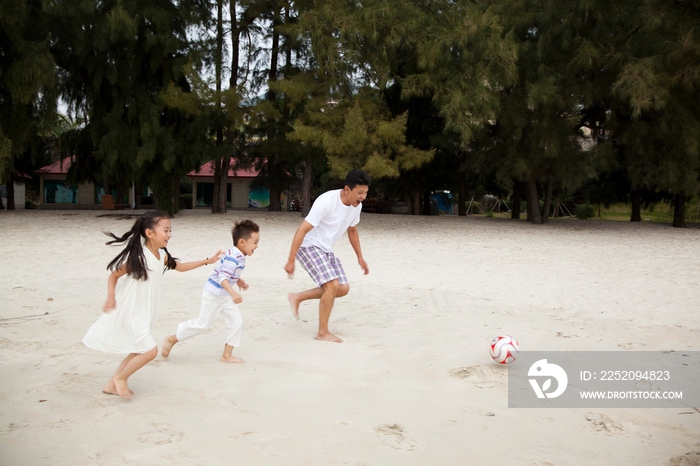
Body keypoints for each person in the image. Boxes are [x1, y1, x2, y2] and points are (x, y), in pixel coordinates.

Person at [83, 211, 222, 399]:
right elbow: (114, 275)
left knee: (139, 349)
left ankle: (111, 384)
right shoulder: (140, 257)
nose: (169, 234)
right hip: (132, 310)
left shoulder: (162, 255)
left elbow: (180, 267)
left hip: (144, 311)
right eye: (165, 230)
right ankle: (121, 379)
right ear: (149, 233)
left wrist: (208, 261)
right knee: (150, 351)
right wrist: (110, 297)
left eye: (170, 230)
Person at [284, 169, 371, 343]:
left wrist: (360, 257)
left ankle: (297, 297)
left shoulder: (356, 206)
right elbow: (302, 230)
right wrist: (291, 259)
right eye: (360, 193)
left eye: (365, 193)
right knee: (332, 285)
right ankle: (322, 333)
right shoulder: (327, 201)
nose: (363, 197)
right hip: (308, 246)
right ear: (347, 189)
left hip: (325, 249)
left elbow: (352, 231)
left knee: (343, 288)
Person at [161, 219, 260, 363]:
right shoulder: (233, 257)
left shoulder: (237, 254)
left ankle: (227, 355)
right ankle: (171, 339)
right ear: (242, 242)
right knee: (202, 325)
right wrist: (233, 293)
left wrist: (238, 280)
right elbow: (222, 277)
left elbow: (226, 271)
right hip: (214, 294)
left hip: (224, 295)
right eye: (255, 242)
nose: (257, 246)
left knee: (236, 322)